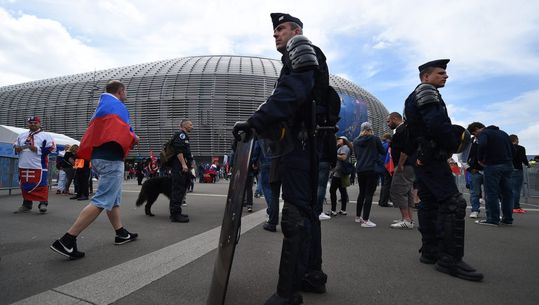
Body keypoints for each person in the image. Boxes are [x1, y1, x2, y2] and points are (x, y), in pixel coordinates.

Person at [233, 12, 330, 305]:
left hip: (299, 146)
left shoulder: (300, 47)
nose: (275, 35)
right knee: (307, 212)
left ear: (296, 30)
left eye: (280, 29)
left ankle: (287, 293)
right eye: (274, 31)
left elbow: (291, 93)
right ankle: (312, 276)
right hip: (305, 144)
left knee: (295, 216)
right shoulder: (299, 56)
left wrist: (254, 122)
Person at [404, 59, 483, 281]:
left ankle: (431, 251)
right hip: (431, 156)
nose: (445, 76)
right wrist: (450, 144)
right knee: (453, 203)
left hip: (423, 156)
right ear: (426, 76)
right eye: (441, 73)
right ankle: (450, 259)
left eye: (445, 73)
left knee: (429, 203)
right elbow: (437, 125)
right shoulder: (427, 91)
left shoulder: (416, 95)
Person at [50, 80, 139, 259]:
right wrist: (134, 137)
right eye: (125, 91)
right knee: (102, 199)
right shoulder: (117, 106)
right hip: (111, 159)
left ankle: (121, 233)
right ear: (121, 91)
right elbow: (120, 131)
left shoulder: (102, 106)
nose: (126, 94)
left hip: (99, 157)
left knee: (112, 199)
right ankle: (67, 239)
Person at [467, 122, 514, 226]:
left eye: (474, 134)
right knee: (507, 193)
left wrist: (480, 158)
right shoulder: (503, 133)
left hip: (493, 165)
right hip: (508, 165)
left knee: (491, 193)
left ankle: (493, 219)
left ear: (477, 129)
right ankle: (507, 219)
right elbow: (512, 148)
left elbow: (482, 145)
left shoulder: (484, 134)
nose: (475, 136)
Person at [14, 116, 56, 213]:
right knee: (24, 185)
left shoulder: (46, 135)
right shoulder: (22, 135)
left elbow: (52, 148)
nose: (33, 124)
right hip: (23, 164)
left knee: (41, 184)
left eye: (35, 123)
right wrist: (17, 148)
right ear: (28, 124)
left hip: (39, 165)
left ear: (39, 124)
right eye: (31, 123)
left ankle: (43, 203)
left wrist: (37, 149)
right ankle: (26, 204)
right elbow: (15, 145)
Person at [386, 112, 416, 229]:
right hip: (409, 165)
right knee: (407, 191)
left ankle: (406, 219)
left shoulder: (402, 130)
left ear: (394, 119)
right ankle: (408, 219)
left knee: (398, 190)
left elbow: (406, 148)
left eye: (388, 121)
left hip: (404, 165)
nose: (388, 124)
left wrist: (400, 164)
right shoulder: (405, 129)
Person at [352, 122, 385, 228]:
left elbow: (357, 155)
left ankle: (358, 217)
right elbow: (383, 152)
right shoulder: (374, 139)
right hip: (372, 169)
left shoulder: (356, 141)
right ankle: (366, 220)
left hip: (360, 168)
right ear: (370, 129)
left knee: (361, 192)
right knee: (369, 194)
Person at [169, 119, 194, 223]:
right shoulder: (181, 135)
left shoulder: (183, 135)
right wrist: (184, 164)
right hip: (179, 168)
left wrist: (191, 162)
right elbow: (179, 151)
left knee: (180, 189)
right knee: (178, 190)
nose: (192, 126)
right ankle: (175, 215)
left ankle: (176, 212)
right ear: (185, 125)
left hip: (181, 167)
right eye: (190, 124)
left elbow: (186, 152)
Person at [327, 136, 352, 216]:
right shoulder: (342, 148)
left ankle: (333, 210)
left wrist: (334, 155)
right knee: (342, 191)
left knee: (332, 190)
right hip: (341, 172)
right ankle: (343, 210)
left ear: (344, 140)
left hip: (339, 173)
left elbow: (343, 157)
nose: (338, 140)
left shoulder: (344, 148)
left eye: (339, 139)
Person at [509, 134, 530, 213]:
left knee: (508, 189)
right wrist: (528, 164)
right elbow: (523, 158)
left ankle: (508, 205)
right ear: (516, 139)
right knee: (516, 189)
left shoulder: (506, 147)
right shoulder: (521, 148)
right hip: (517, 169)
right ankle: (516, 206)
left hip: (507, 170)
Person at [378, 133, 393, 207]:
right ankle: (384, 201)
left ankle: (381, 200)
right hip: (386, 166)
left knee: (383, 185)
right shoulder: (388, 145)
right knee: (387, 185)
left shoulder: (381, 144)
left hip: (380, 166)